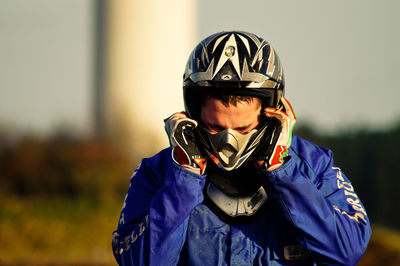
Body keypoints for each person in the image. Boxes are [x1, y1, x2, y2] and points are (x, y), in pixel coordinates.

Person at [111, 31, 371, 265]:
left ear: (270, 113)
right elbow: (137, 261)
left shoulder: (313, 166)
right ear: (194, 113)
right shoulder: (158, 172)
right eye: (214, 127)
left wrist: (283, 172)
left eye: (243, 129)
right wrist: (184, 177)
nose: (229, 142)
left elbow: (347, 251)